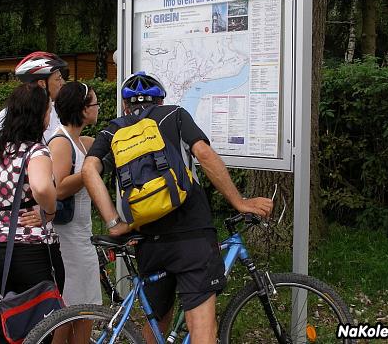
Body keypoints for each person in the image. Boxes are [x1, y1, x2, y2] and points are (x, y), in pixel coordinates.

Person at [81, 71, 273, 344]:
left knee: (157, 321)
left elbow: (89, 169)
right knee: (202, 329)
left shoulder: (114, 129)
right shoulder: (175, 115)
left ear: (126, 106)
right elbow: (204, 154)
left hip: (148, 238)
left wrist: (114, 223)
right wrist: (239, 201)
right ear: (160, 101)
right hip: (191, 233)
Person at [0, 83, 64, 344]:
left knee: (2, 326)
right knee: (40, 327)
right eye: (48, 111)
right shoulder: (36, 151)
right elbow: (40, 186)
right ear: (38, 115)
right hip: (32, 251)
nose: (49, 117)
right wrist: (49, 210)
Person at [48, 82, 102, 343]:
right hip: (68, 239)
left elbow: (105, 143)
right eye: (94, 103)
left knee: (79, 309)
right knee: (76, 310)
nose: (98, 107)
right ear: (82, 110)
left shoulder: (81, 141)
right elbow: (58, 189)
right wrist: (88, 173)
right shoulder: (62, 142)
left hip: (81, 234)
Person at [0, 51, 67, 157]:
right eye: (58, 78)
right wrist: (12, 165)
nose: (63, 82)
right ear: (42, 83)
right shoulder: (18, 111)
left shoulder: (57, 108)